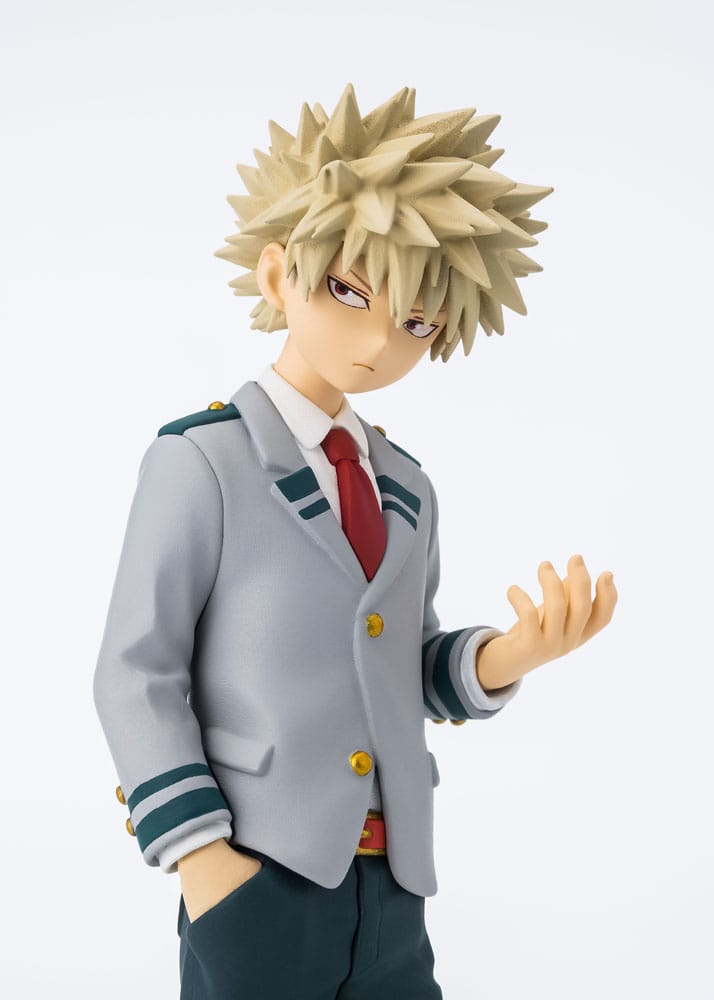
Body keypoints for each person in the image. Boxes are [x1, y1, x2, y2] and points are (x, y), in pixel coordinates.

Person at [94, 84, 617, 999]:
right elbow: (135, 672)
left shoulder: (406, 485)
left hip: (394, 883)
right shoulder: (203, 461)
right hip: (258, 867)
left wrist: (508, 656)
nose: (379, 341)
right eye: (349, 291)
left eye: (417, 322)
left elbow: (406, 664)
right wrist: (202, 861)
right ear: (277, 275)